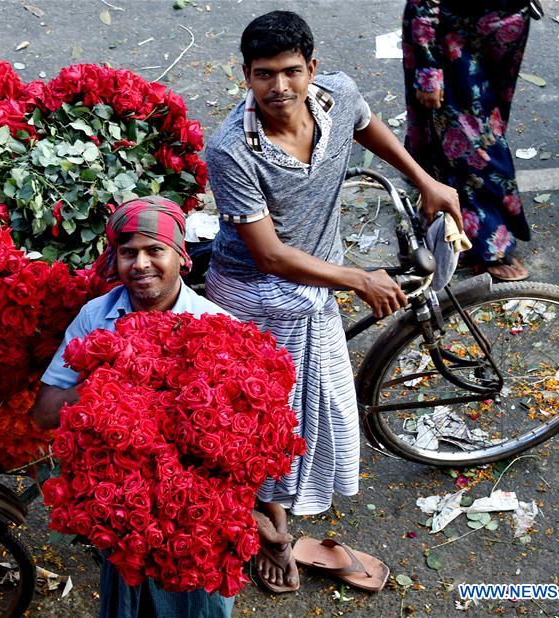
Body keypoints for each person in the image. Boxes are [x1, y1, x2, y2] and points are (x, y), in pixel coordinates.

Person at [204, 10, 461, 593]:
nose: (280, 88)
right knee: (262, 424)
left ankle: (273, 514)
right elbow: (267, 255)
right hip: (256, 296)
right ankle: (267, 530)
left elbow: (367, 126)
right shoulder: (229, 149)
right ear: (245, 76)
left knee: (300, 418)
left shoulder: (338, 94)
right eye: (264, 75)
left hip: (319, 281)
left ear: (313, 69)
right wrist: (355, 278)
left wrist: (425, 180)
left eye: (291, 72)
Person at [32, 196, 233, 618]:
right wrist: (113, 387)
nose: (140, 264)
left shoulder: (216, 327)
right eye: (128, 253)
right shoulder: (96, 318)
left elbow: (241, 449)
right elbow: (46, 411)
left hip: (192, 518)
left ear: (181, 256)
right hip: (120, 509)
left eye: (154, 250)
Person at [403, 0, 532, 281]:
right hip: (452, 33)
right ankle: (485, 242)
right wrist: (427, 68)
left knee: (480, 124)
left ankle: (440, 194)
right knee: (475, 141)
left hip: (505, 28)